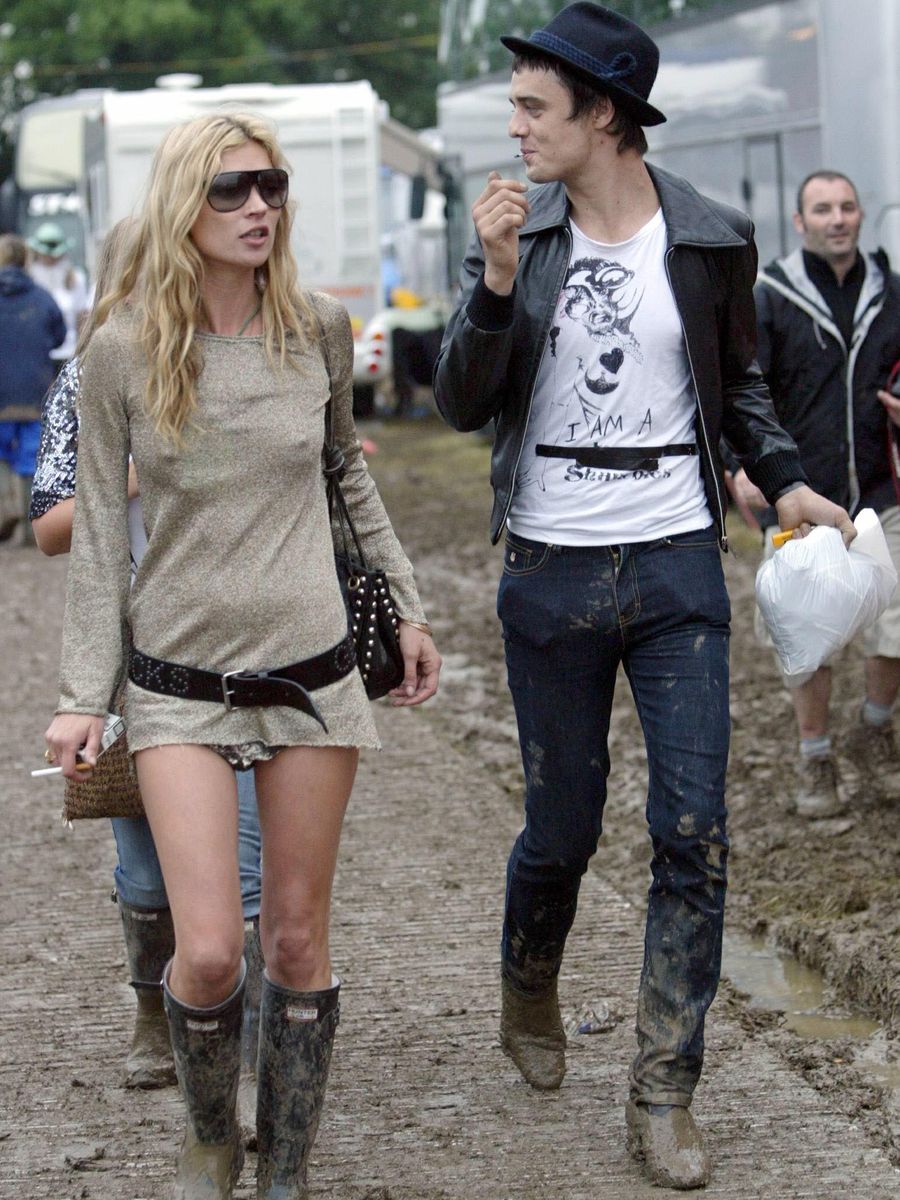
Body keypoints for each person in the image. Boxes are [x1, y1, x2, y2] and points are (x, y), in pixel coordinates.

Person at [432, 4, 853, 1190]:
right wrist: (500, 281)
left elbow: (740, 391)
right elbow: (466, 403)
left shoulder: (713, 238)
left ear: (603, 114)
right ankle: (530, 975)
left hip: (676, 563)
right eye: (514, 103)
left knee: (693, 834)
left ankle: (665, 1090)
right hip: (549, 569)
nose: (513, 125)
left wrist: (786, 486)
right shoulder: (521, 230)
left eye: (533, 105)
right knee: (561, 833)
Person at [44, 112, 440, 1200]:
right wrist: (85, 693)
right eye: (231, 190)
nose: (259, 207)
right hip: (176, 688)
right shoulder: (121, 351)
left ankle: (288, 1170)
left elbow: (347, 479)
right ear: (185, 205)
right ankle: (215, 1134)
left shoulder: (315, 327)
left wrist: (404, 607)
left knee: (297, 942)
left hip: (313, 677)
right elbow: (97, 547)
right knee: (212, 950)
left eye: (270, 186)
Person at [30, 219, 265, 1102]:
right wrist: (132, 465)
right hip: (134, 659)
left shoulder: (236, 366)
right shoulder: (86, 381)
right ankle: (149, 1007)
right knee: (142, 861)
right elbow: (51, 525)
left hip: (243, 647)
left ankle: (228, 1019)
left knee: (242, 856)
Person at [729, 171, 900, 818]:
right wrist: (737, 467)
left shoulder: (893, 293)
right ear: (799, 222)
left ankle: (875, 733)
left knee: (895, 624)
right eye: (822, 209)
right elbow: (737, 386)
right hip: (799, 494)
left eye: (848, 207)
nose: (837, 219)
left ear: (862, 216)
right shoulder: (769, 297)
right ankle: (816, 759)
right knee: (809, 631)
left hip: (882, 493)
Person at [0, 234, 66, 544]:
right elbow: (58, 335)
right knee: (30, 455)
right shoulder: (41, 297)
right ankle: (29, 525)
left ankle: (5, 509)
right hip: (33, 391)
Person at [27, 221, 90, 368]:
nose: (49, 258)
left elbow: (82, 317)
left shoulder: (75, 278)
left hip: (68, 352)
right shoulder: (30, 277)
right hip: (39, 354)